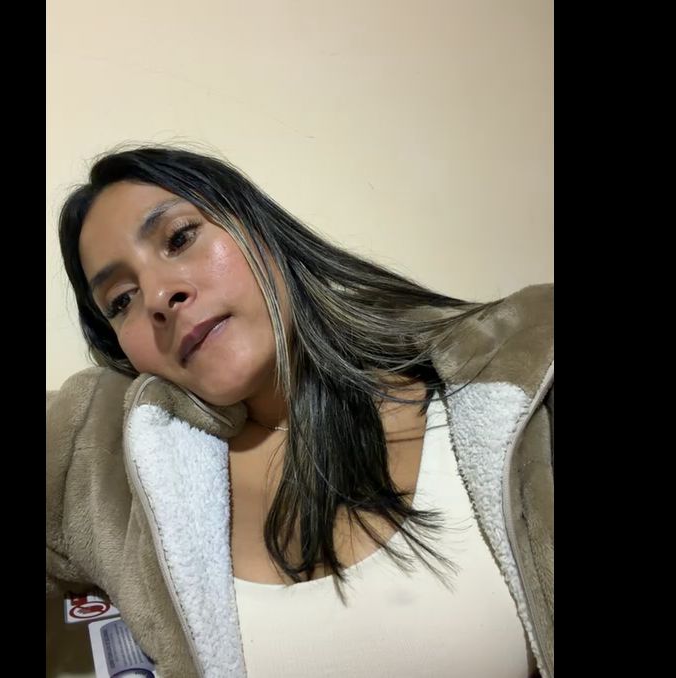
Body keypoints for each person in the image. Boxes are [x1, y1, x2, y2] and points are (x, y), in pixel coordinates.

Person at [47, 146, 553, 678]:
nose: (156, 297)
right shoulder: (107, 469)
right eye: (121, 300)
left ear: (261, 229)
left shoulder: (517, 385)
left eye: (179, 238)